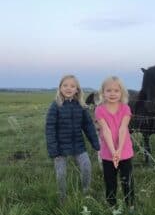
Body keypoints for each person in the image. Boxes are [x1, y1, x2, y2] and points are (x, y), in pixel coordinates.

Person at [45, 74, 100, 203]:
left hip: (78, 145)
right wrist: (53, 150)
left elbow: (88, 126)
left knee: (87, 166)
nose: (68, 88)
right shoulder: (55, 106)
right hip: (59, 147)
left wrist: (96, 144)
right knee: (61, 173)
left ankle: (86, 191)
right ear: (60, 88)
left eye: (72, 86)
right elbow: (50, 128)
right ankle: (62, 198)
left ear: (77, 90)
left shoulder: (81, 106)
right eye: (65, 85)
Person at [95, 76, 134, 208]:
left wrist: (118, 151)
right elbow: (106, 131)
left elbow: (123, 129)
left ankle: (130, 205)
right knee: (110, 181)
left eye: (116, 91)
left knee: (127, 181)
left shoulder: (125, 108)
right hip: (107, 153)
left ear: (121, 92)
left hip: (125, 151)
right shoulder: (99, 110)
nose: (112, 93)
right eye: (108, 90)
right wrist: (113, 152)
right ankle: (112, 206)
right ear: (103, 92)